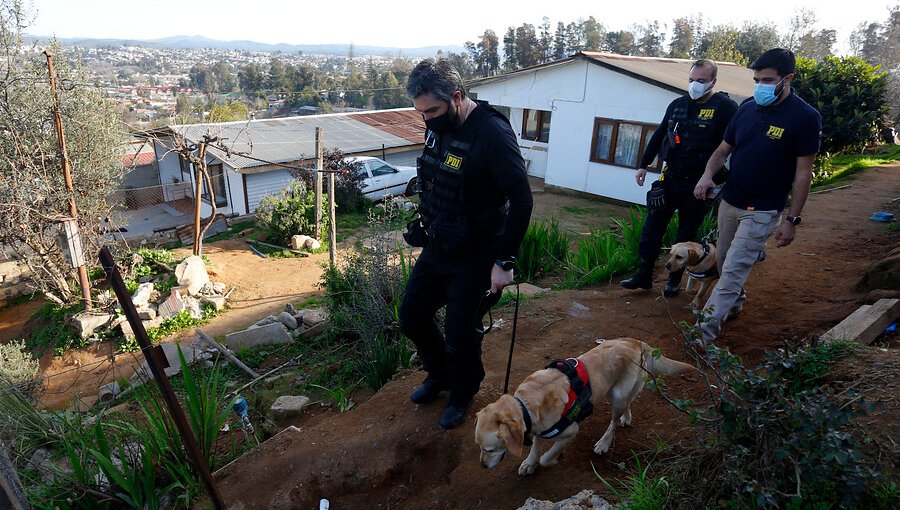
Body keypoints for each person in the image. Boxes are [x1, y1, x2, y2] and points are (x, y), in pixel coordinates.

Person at [399, 58, 534, 430]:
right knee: (411, 315)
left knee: (460, 332)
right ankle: (439, 374)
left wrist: (504, 262)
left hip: (479, 254)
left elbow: (522, 200)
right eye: (421, 112)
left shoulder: (492, 134)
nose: (427, 119)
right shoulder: (436, 126)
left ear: (457, 97)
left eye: (433, 111)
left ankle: (462, 392)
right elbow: (438, 180)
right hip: (440, 245)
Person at [693, 48, 822, 345]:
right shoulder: (748, 107)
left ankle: (703, 332)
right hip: (730, 200)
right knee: (725, 262)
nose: (760, 85)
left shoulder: (804, 117)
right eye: (756, 79)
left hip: (762, 209)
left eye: (767, 80)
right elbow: (723, 149)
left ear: (787, 78)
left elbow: (803, 173)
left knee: (734, 269)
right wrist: (706, 175)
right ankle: (734, 304)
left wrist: (792, 220)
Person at [620, 59, 738, 296]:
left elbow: (735, 143)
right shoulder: (677, 105)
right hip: (670, 178)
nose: (695, 85)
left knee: (686, 234)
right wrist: (643, 165)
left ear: (713, 81)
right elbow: (660, 134)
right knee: (651, 229)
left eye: (701, 81)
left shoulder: (725, 107)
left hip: (699, 183)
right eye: (692, 80)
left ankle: (674, 279)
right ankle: (643, 275)